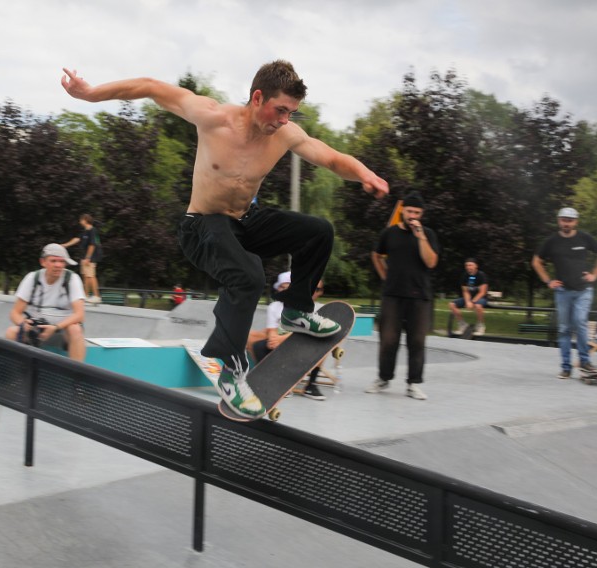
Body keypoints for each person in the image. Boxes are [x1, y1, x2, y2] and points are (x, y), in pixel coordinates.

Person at [62, 61, 388, 418]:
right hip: (202, 226)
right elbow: (151, 86)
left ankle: (296, 311)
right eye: (280, 110)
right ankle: (231, 371)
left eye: (291, 113)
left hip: (244, 221)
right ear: (257, 97)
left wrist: (365, 173)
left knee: (318, 231)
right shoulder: (212, 116)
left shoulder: (286, 133)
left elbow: (329, 157)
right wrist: (91, 94)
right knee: (249, 276)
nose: (283, 121)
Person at [367, 191, 440, 400]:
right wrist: (385, 276)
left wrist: (421, 237)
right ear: (402, 211)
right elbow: (376, 255)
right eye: (409, 211)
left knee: (417, 341)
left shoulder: (428, 234)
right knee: (388, 339)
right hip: (393, 294)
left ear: (421, 214)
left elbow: (431, 262)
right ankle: (383, 378)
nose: (412, 216)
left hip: (420, 296)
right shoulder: (389, 233)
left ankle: (414, 383)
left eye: (417, 212)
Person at [531, 207, 597, 379]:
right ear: (559, 220)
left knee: (580, 322)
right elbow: (536, 261)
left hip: (583, 290)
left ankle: (585, 361)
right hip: (563, 291)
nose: (566, 223)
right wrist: (548, 281)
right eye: (563, 220)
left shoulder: (584, 238)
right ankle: (566, 367)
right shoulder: (552, 241)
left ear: (576, 222)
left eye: (570, 220)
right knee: (564, 329)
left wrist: (595, 275)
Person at [248, 272, 328, 400]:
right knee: (257, 345)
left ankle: (310, 386)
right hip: (280, 343)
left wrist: (280, 339)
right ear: (278, 289)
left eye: (289, 288)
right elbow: (271, 329)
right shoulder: (274, 307)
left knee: (322, 342)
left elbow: (305, 331)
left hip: (300, 344)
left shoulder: (305, 306)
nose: (286, 291)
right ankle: (269, 378)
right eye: (283, 288)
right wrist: (272, 339)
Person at [5, 244, 87, 361]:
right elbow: (15, 313)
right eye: (53, 261)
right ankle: (16, 375)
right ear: (43, 262)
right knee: (11, 332)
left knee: (75, 329)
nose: (58, 265)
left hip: (63, 330)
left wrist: (56, 327)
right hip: (38, 329)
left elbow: (79, 315)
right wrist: (23, 323)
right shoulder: (32, 278)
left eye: (62, 261)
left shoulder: (72, 279)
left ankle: (77, 375)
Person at [62, 214, 102, 304]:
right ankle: (86, 295)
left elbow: (92, 245)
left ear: (85, 220)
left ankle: (97, 296)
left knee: (91, 276)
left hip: (90, 257)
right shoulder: (85, 231)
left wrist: (88, 257)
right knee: (85, 276)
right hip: (84, 257)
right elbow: (77, 239)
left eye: (81, 220)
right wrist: (65, 245)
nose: (80, 222)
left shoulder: (92, 230)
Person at [448, 258, 489, 336]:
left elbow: (482, 292)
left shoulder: (481, 275)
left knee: (478, 305)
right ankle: (462, 324)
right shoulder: (464, 275)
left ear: (476, 266)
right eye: (466, 265)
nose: (468, 267)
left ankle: (480, 325)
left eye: (470, 265)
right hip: (469, 298)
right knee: (452, 304)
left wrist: (472, 302)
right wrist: (467, 301)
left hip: (481, 298)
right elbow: (465, 291)